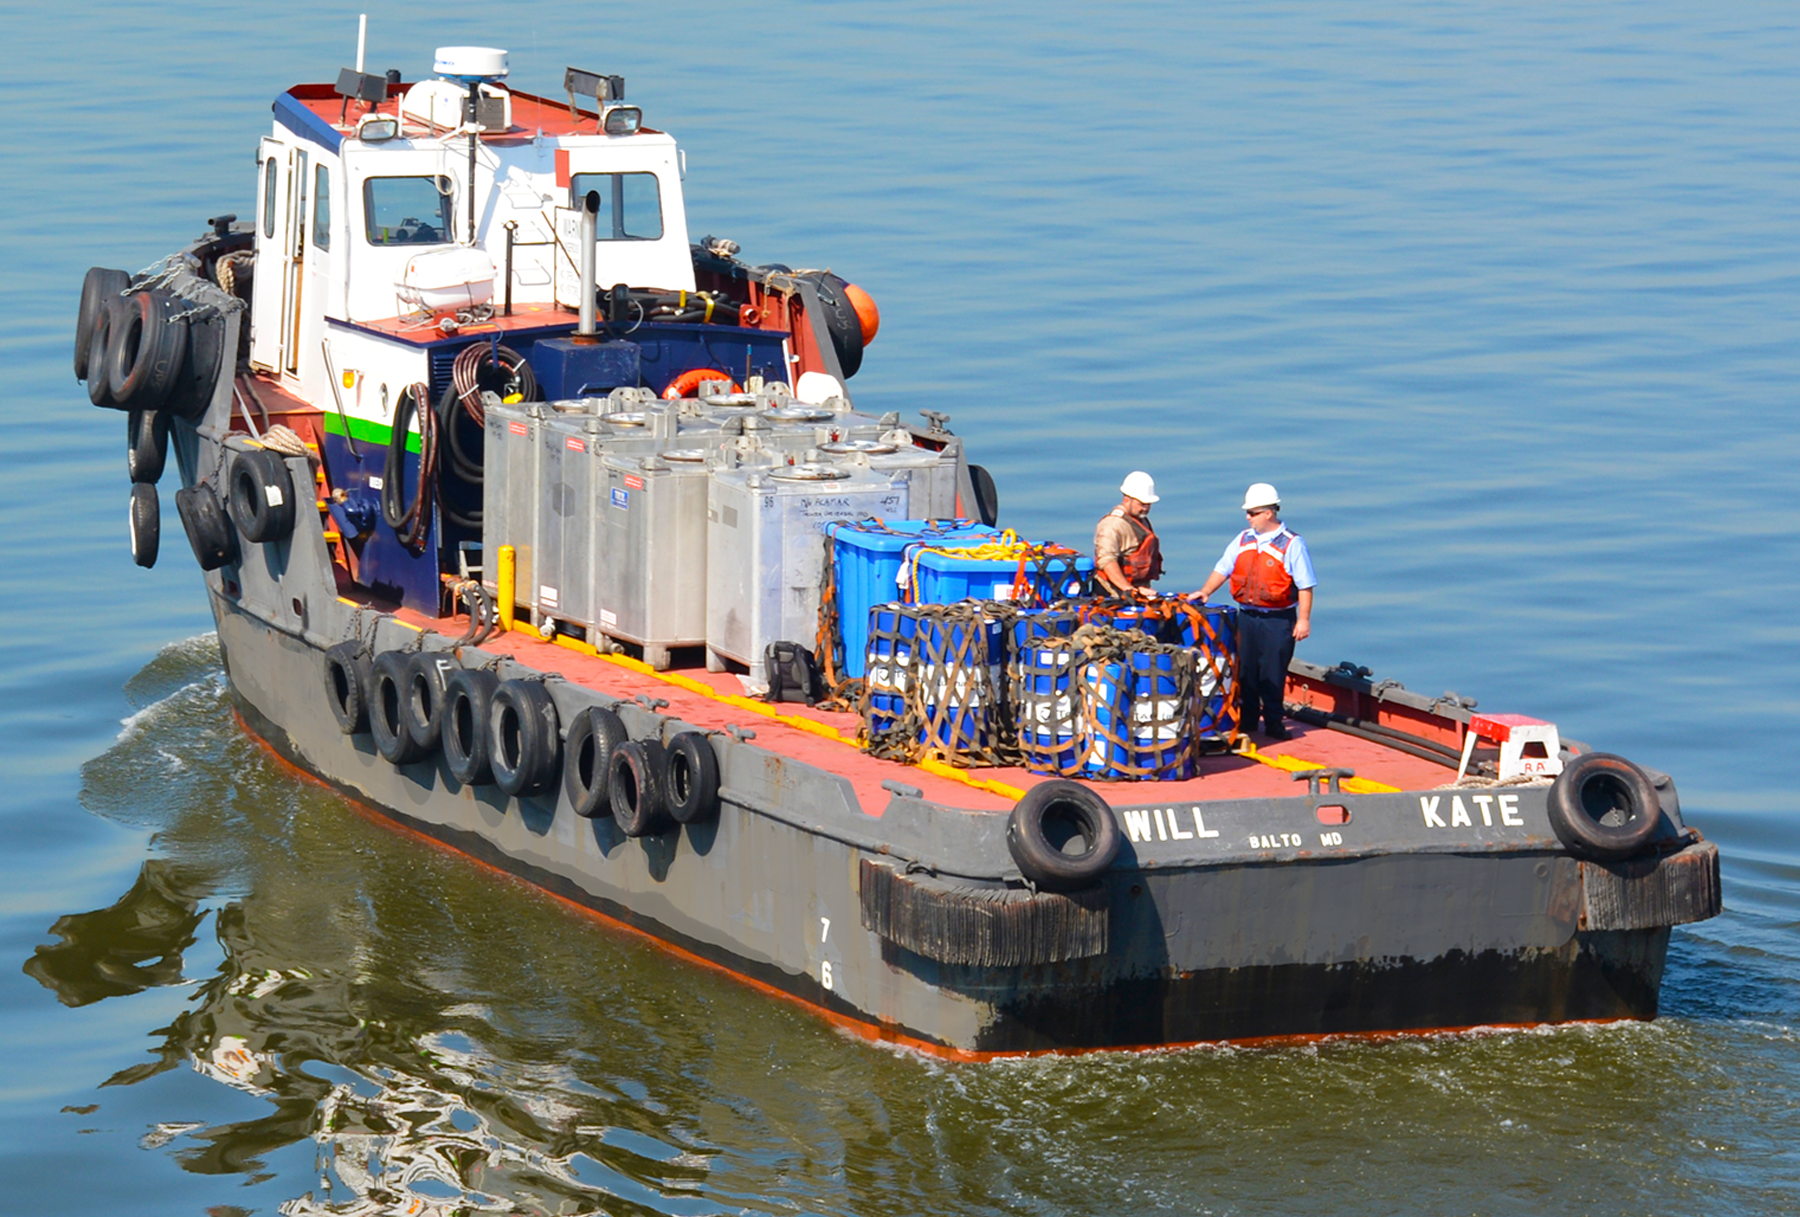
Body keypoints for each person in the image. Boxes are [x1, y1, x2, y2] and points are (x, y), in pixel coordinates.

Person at [1195, 483, 1315, 740]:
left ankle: (1274, 724)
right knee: (1246, 670)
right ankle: (1248, 721)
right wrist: (1205, 591)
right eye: (1248, 513)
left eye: (1253, 512)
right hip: (1247, 616)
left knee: (1272, 673)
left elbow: (1305, 586)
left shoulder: (1292, 544)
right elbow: (1223, 568)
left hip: (1278, 619)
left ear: (1268, 513)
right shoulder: (1243, 539)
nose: (1248, 517)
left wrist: (1303, 620)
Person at [1093, 471, 1164, 598]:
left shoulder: (1141, 520)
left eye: (1149, 504)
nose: (1146, 508)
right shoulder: (1112, 525)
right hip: (1114, 594)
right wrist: (1129, 590)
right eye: (1142, 504)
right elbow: (1107, 561)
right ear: (1127, 499)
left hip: (1141, 591)